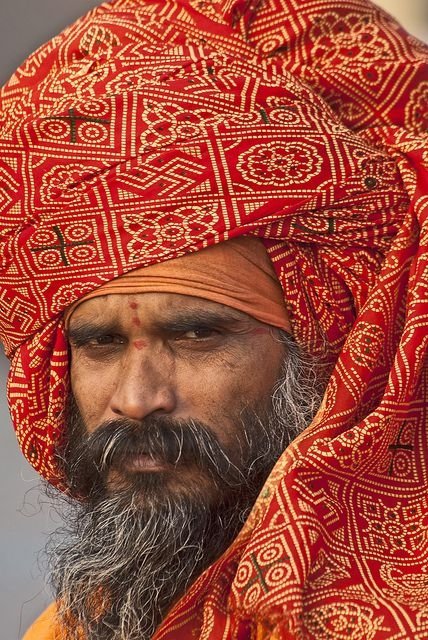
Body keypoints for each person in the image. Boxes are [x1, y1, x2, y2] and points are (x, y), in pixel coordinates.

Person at [0, 0, 427, 638]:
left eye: (198, 335)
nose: (137, 399)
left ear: (330, 342)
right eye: (100, 343)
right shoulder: (84, 622)